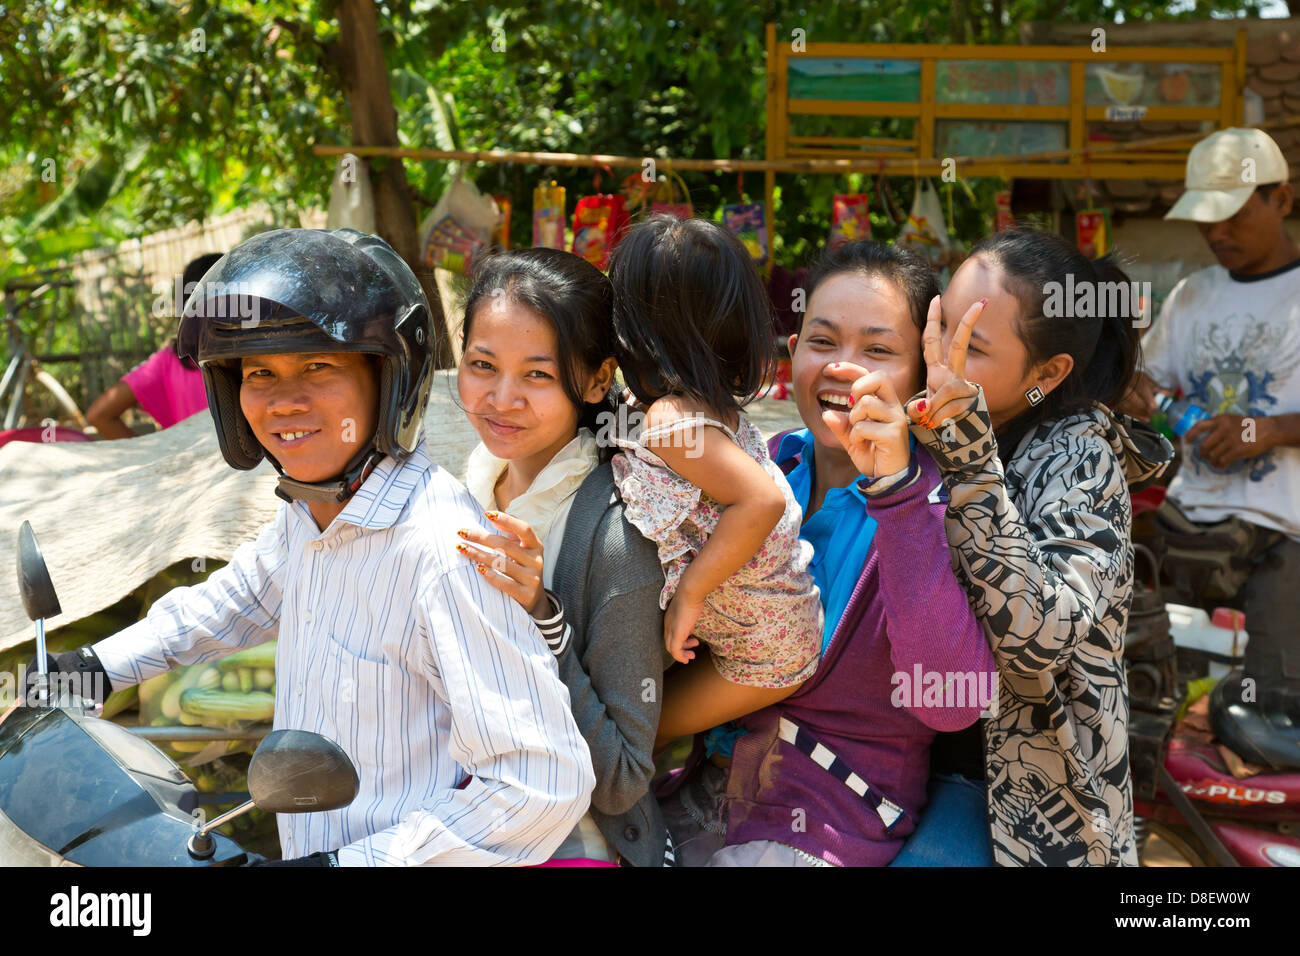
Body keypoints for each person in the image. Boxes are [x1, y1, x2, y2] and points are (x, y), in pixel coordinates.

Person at [28, 228, 594, 865]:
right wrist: (96, 666)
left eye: (318, 367)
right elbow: (231, 603)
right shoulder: (314, 514)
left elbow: (541, 783)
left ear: (388, 380)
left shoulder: (440, 549)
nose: (284, 401)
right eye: (260, 372)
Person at [700, 241, 995, 867]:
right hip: (709, 796)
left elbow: (950, 701)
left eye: (879, 350)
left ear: (918, 377)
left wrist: (896, 494)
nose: (843, 367)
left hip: (831, 823)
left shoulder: (943, 504)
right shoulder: (764, 463)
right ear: (793, 352)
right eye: (822, 341)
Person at [904, 228, 1172, 865]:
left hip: (1023, 804)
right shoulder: (928, 429)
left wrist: (969, 461)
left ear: (1046, 374)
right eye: (941, 329)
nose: (939, 359)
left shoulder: (1080, 455)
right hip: (897, 759)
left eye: (972, 348)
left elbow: (1036, 638)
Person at [452, 247, 672, 866]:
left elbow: (622, 777)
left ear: (598, 380)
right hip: (448, 821)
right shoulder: (468, 483)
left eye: (538, 375)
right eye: (482, 365)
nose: (501, 397)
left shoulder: (617, 535)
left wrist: (542, 616)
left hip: (569, 844)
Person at [604, 216, 823, 750]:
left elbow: (761, 499)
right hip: (771, 623)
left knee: (633, 737)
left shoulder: (672, 421)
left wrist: (690, 595)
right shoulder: (701, 404)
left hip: (765, 652)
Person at [1120, 127, 1300, 747]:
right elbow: (1150, 384)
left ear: (1283, 199)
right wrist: (1134, 391)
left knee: (1271, 722)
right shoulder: (1194, 295)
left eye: (1233, 215)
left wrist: (1267, 429)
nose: (1217, 233)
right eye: (1206, 220)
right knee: (1138, 694)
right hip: (1183, 529)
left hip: (1283, 541)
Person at [86, 252, 222, 438]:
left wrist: (155, 459)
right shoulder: (254, 353)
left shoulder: (167, 362)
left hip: (190, 465)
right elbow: (99, 415)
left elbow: (99, 415)